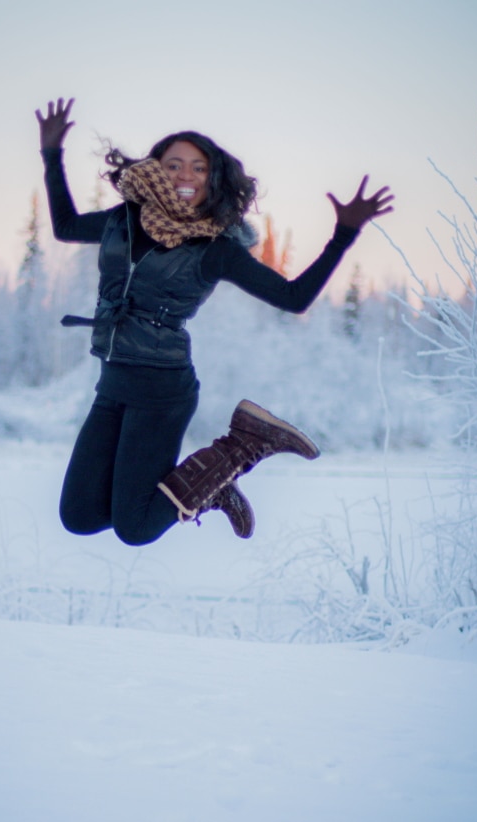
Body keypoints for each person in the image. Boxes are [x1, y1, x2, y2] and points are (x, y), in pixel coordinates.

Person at [36, 97, 393, 545]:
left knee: (136, 528)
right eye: (174, 164)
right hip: (111, 385)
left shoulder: (215, 248)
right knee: (79, 515)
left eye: (199, 167)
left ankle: (243, 445)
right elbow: (66, 226)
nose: (186, 174)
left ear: (213, 178)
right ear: (156, 169)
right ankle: (208, 486)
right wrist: (51, 154)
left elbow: (294, 297)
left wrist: (344, 234)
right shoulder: (122, 220)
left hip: (161, 392)